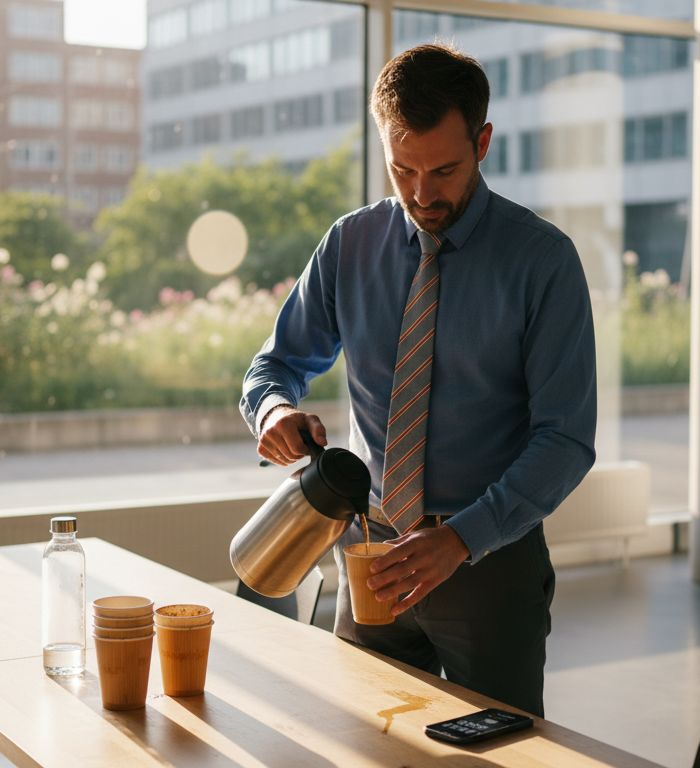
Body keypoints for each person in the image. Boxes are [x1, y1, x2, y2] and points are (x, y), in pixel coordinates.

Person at [238, 43, 596, 717]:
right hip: (368, 557)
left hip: (488, 568)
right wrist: (274, 412)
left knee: (499, 762)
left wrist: (461, 538)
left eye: (445, 170)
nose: (423, 194)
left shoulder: (543, 263)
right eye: (402, 170)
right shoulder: (350, 244)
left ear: (483, 142)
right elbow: (273, 366)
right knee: (363, 748)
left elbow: (566, 439)